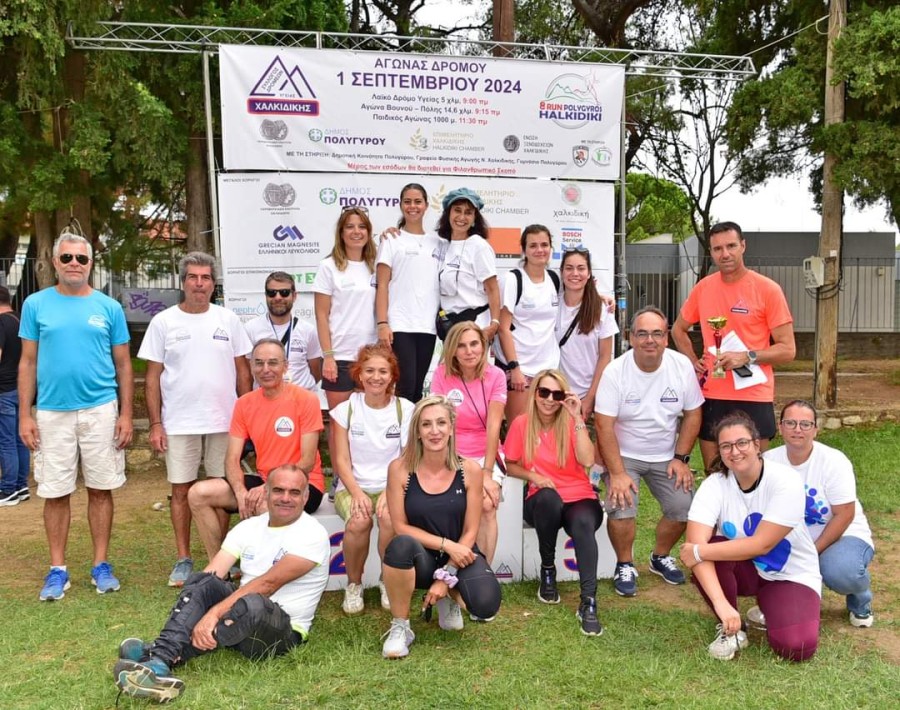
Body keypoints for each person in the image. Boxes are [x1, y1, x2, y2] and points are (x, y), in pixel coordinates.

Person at [113, 464, 330, 703]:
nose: (285, 498)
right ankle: (160, 659)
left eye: (294, 492)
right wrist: (198, 606)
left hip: (282, 631)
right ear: (265, 492)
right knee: (203, 581)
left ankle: (153, 653)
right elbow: (212, 573)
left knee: (254, 604)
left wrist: (212, 615)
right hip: (238, 617)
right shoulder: (248, 527)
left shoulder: (313, 534)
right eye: (278, 490)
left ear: (306, 496)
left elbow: (268, 584)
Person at [19, 233, 133, 600]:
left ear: (90, 264)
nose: (74, 263)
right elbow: (28, 361)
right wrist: (25, 414)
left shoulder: (109, 307)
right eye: (66, 257)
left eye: (81, 258)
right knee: (56, 492)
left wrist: (126, 414)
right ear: (54, 261)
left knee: (101, 490)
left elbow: (124, 364)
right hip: (52, 412)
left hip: (101, 408)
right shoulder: (36, 305)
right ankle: (58, 570)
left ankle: (101, 565)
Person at [138, 252, 253, 587]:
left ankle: (220, 559)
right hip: (179, 422)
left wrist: (244, 420)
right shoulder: (164, 322)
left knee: (219, 489)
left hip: (224, 422)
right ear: (183, 281)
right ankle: (184, 559)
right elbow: (153, 376)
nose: (199, 284)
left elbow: (243, 374)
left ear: (213, 283)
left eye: (205, 278)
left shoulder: (228, 319)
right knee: (180, 490)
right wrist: (156, 423)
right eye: (193, 277)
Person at [679, 413, 821, 662]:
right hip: (744, 571)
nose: (735, 451)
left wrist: (699, 552)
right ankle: (732, 629)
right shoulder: (714, 485)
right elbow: (696, 542)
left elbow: (762, 544)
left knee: (797, 648)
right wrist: (721, 605)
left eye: (742, 443)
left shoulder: (785, 480)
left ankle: (773, 608)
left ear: (757, 445)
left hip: (790, 574)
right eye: (726, 446)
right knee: (712, 546)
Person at [380, 395, 501, 658]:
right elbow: (400, 526)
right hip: (421, 556)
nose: (434, 431)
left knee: (485, 606)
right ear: (418, 432)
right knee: (400, 546)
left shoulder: (469, 469)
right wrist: (446, 546)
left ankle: (448, 599)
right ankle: (401, 626)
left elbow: (470, 531)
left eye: (441, 423)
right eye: (426, 425)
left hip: (460, 555)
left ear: (451, 428)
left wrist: (447, 576)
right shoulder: (400, 469)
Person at [595, 307, 703, 597]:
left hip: (666, 455)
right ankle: (625, 563)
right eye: (642, 333)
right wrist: (616, 473)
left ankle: (659, 557)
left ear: (667, 338)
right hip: (624, 453)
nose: (650, 340)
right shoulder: (615, 371)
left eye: (657, 333)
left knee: (684, 507)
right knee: (621, 504)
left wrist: (681, 459)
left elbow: (693, 414)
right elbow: (604, 426)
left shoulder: (681, 366)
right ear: (631, 338)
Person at [672, 221, 796, 468]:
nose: (725, 254)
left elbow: (788, 350)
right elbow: (678, 330)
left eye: (730, 246)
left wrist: (746, 356)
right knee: (715, 473)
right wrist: (692, 361)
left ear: (743, 246)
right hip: (712, 393)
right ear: (711, 252)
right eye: (717, 249)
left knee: (754, 474)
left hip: (754, 393)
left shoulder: (768, 289)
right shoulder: (704, 288)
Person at [188, 339, 324, 562]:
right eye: (259, 363)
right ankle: (218, 571)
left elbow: (307, 461)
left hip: (305, 483)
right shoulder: (244, 404)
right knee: (198, 493)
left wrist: (268, 487)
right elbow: (232, 459)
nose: (266, 369)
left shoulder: (306, 399)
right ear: (251, 367)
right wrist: (241, 492)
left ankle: (266, 570)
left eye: (273, 363)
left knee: (264, 503)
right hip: (263, 481)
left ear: (285, 366)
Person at [505, 370, 603, 636]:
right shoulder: (522, 424)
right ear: (535, 393)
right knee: (548, 499)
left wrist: (577, 417)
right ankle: (548, 570)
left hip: (578, 494)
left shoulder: (571, 423)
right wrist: (533, 475)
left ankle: (589, 601)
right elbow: (510, 464)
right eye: (543, 392)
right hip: (541, 497)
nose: (549, 399)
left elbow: (586, 460)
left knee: (583, 521)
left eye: (556, 394)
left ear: (564, 397)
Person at [763, 400, 875, 627]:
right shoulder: (768, 462)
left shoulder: (834, 461)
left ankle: (860, 597)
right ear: (780, 426)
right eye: (790, 422)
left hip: (842, 533)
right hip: (791, 536)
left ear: (816, 429)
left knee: (842, 571)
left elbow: (844, 514)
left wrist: (812, 553)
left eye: (805, 424)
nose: (797, 429)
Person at [330, 343, 413, 615]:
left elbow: (407, 460)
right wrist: (356, 493)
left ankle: (386, 582)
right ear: (359, 374)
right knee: (358, 520)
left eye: (382, 371)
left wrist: (392, 496)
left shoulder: (405, 409)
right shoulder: (346, 409)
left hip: (392, 486)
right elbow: (341, 460)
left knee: (390, 519)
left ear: (392, 376)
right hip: (353, 486)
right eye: (369, 371)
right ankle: (354, 585)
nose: (376, 377)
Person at [430, 322, 505, 567]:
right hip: (451, 452)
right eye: (461, 346)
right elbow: (437, 423)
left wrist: (486, 473)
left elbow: (494, 426)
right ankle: (444, 567)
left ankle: (481, 574)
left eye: (474, 344)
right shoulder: (441, 374)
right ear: (452, 350)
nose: (469, 351)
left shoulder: (496, 376)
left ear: (483, 347)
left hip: (486, 453)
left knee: (486, 505)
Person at [313, 206, 377, 440]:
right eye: (349, 226)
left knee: (368, 424)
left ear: (369, 233)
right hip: (338, 357)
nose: (356, 231)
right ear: (341, 233)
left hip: (370, 358)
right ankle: (341, 477)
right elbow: (321, 315)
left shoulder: (376, 266)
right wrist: (328, 355)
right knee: (340, 426)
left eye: (362, 227)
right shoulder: (328, 267)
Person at [375, 183, 441, 402]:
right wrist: (383, 323)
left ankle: (410, 435)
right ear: (401, 205)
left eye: (417, 201)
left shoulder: (439, 242)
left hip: (428, 327)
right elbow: (382, 285)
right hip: (400, 326)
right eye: (408, 201)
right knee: (405, 385)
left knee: (416, 389)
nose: (413, 206)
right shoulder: (391, 239)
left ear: (426, 205)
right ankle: (399, 435)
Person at [497, 225, 561, 422]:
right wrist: (514, 368)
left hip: (548, 369)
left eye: (544, 244)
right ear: (523, 250)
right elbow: (503, 328)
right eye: (533, 245)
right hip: (520, 371)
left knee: (544, 431)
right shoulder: (512, 280)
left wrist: (603, 297)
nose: (539, 250)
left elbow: (579, 292)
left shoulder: (554, 278)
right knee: (519, 429)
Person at [556, 246, 618, 421]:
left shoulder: (601, 309)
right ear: (561, 272)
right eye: (569, 268)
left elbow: (605, 357)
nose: (575, 273)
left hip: (590, 397)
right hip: (556, 397)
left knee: (587, 448)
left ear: (589, 273)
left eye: (581, 268)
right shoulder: (551, 305)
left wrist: (589, 398)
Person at [434, 187, 501, 341]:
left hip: (475, 326)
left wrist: (494, 323)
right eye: (457, 210)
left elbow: (492, 288)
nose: (462, 217)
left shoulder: (479, 246)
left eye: (468, 212)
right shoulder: (442, 245)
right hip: (450, 328)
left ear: (474, 219)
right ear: (448, 213)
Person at [244, 272, 322, 390]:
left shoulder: (308, 330)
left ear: (294, 296)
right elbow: (248, 373)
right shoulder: (250, 329)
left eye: (284, 293)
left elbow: (316, 372)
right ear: (266, 296)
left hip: (300, 400)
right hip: (266, 399)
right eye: (272, 293)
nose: (278, 297)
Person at [0, 285, 30, 507]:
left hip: (3, 389)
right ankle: (20, 485)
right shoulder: (19, 320)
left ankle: (8, 488)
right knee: (19, 440)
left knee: (6, 441)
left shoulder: (1, 323)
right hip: (21, 388)